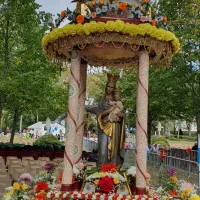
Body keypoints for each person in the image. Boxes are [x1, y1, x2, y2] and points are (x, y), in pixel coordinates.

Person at [87, 73, 125, 166]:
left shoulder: (117, 99)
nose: (110, 89)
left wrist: (120, 115)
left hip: (115, 127)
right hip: (103, 127)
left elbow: (122, 113)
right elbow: (100, 113)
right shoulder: (102, 100)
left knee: (113, 151)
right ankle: (101, 172)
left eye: (112, 87)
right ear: (106, 86)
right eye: (108, 86)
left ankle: (113, 172)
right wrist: (110, 111)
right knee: (103, 152)